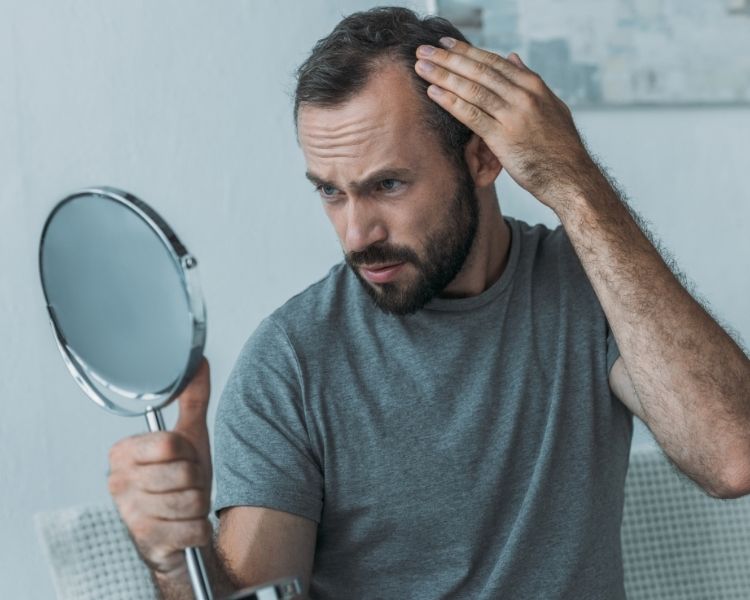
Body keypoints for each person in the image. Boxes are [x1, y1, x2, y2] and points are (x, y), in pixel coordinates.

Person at [107, 6, 750, 599]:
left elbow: (732, 457)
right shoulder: (291, 362)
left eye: (388, 184)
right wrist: (173, 561)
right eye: (331, 192)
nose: (357, 235)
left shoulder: (590, 287)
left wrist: (573, 181)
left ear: (483, 158)